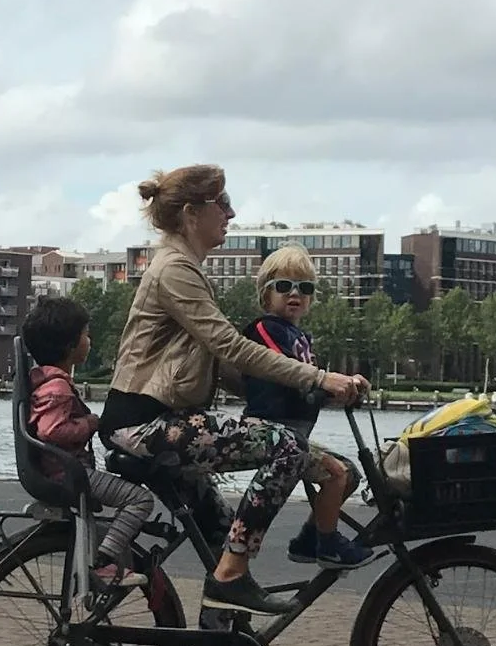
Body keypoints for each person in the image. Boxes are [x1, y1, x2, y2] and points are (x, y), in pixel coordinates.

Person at [99, 165, 368, 617]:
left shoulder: (184, 268)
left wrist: (308, 390)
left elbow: (218, 364)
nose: (231, 212)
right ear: (191, 213)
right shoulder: (174, 270)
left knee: (224, 532)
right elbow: (230, 345)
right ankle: (228, 579)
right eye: (221, 204)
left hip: (164, 420)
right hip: (145, 422)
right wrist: (318, 378)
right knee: (284, 446)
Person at [241, 246, 367, 567]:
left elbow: (314, 385)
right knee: (336, 473)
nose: (294, 294)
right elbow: (284, 369)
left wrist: (345, 388)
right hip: (269, 429)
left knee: (349, 473)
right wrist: (323, 383)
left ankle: (308, 539)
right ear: (265, 294)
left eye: (305, 288)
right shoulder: (263, 329)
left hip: (295, 432)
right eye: (284, 286)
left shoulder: (299, 336)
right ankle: (328, 543)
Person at [23, 295, 155, 587]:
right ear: (70, 346)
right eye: (85, 334)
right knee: (139, 499)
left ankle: (102, 558)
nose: (89, 340)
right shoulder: (57, 387)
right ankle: (105, 562)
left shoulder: (45, 381)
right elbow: (51, 431)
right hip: (67, 474)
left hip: (61, 471)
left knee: (108, 510)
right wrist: (91, 423)